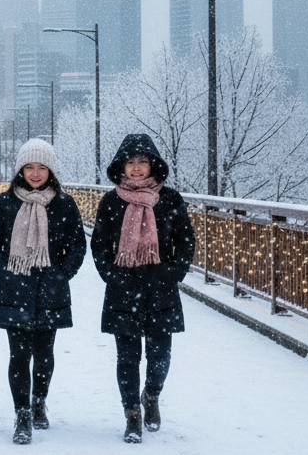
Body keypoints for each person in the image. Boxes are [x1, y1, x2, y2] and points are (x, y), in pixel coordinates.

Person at [91, 134, 195, 443]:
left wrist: (173, 273)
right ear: (122, 166)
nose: (137, 169)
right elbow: (99, 246)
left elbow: (185, 240)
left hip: (161, 288)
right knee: (127, 357)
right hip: (124, 289)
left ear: (153, 165)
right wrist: (113, 275)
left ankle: (151, 395)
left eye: (142, 162)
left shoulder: (170, 199)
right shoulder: (111, 201)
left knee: (161, 355)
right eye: (131, 162)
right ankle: (132, 414)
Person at [0, 138, 86, 445]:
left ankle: (39, 401)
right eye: (30, 167)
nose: (36, 173)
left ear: (50, 170)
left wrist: (62, 273)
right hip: (15, 290)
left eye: (42, 167)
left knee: (44, 353)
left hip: (51, 290)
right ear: (21, 170)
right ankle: (22, 413)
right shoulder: (5, 203)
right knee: (18, 354)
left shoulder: (64, 204)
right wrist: (5, 270)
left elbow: (77, 245)